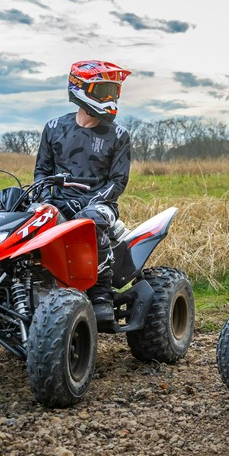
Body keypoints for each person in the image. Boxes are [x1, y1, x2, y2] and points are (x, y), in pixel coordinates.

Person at [35, 60, 132, 322]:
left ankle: (101, 293)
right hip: (57, 200)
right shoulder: (54, 127)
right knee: (25, 216)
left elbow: (117, 181)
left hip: (101, 205)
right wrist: (47, 201)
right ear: (80, 89)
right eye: (104, 91)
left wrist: (85, 202)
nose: (110, 97)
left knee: (89, 221)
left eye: (114, 91)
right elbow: (42, 173)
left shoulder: (119, 134)